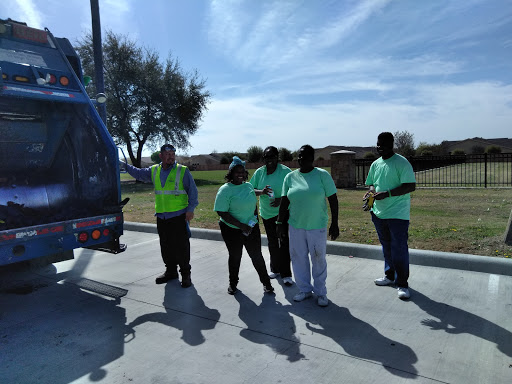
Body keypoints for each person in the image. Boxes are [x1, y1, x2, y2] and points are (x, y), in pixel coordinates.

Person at [120, 144, 198, 287]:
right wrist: (123, 165)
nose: (171, 156)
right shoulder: (154, 170)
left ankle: (186, 275)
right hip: (162, 217)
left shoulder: (182, 171)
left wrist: (190, 209)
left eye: (173, 153)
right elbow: (139, 173)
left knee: (181, 247)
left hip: (178, 216)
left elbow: (193, 192)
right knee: (166, 246)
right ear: (160, 156)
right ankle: (171, 271)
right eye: (167, 154)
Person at [276, 145, 339, 307]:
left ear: (312, 159)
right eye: (299, 156)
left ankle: (321, 292)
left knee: (318, 259)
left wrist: (335, 223)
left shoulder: (322, 175)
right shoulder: (290, 177)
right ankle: (304, 289)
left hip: (317, 226)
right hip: (296, 226)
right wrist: (279, 223)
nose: (301, 159)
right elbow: (284, 201)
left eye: (304, 156)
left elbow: (333, 200)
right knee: (298, 258)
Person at [364, 132, 416, 300]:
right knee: (386, 246)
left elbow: (410, 186)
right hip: (378, 212)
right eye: (378, 144)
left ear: (392, 144)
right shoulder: (376, 164)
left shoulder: (401, 162)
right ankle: (389, 276)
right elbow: (371, 183)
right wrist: (371, 194)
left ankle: (402, 284)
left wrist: (387, 193)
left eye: (384, 144)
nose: (380, 147)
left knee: (399, 248)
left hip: (397, 214)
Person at [214, 156, 274, 295]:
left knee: (257, 256)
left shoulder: (247, 186)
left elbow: (252, 192)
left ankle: (267, 284)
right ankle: (233, 283)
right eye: (237, 172)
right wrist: (241, 225)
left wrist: (262, 192)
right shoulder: (225, 190)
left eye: (243, 172)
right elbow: (221, 212)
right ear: (231, 174)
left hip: (251, 228)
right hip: (232, 229)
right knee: (235, 256)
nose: (240, 174)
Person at [249, 146, 293, 285]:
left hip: (283, 212)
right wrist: (261, 192)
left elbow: (294, 190)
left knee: (284, 242)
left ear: (277, 158)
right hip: (267, 214)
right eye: (266, 157)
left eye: (272, 157)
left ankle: (286, 274)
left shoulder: (285, 171)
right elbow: (250, 189)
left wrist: (281, 199)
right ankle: (275, 269)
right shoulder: (259, 173)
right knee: (272, 242)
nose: (269, 160)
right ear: (263, 158)